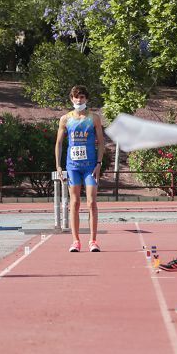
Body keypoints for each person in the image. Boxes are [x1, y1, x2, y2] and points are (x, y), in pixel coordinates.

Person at [55, 85, 105, 253]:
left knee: (92, 202)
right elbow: (59, 143)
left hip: (90, 167)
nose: (79, 100)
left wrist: (99, 163)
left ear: (86, 99)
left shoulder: (94, 118)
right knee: (74, 203)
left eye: (82, 97)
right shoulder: (65, 119)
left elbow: (101, 142)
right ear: (71, 99)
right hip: (73, 167)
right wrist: (59, 165)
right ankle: (75, 241)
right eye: (76, 97)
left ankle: (93, 240)